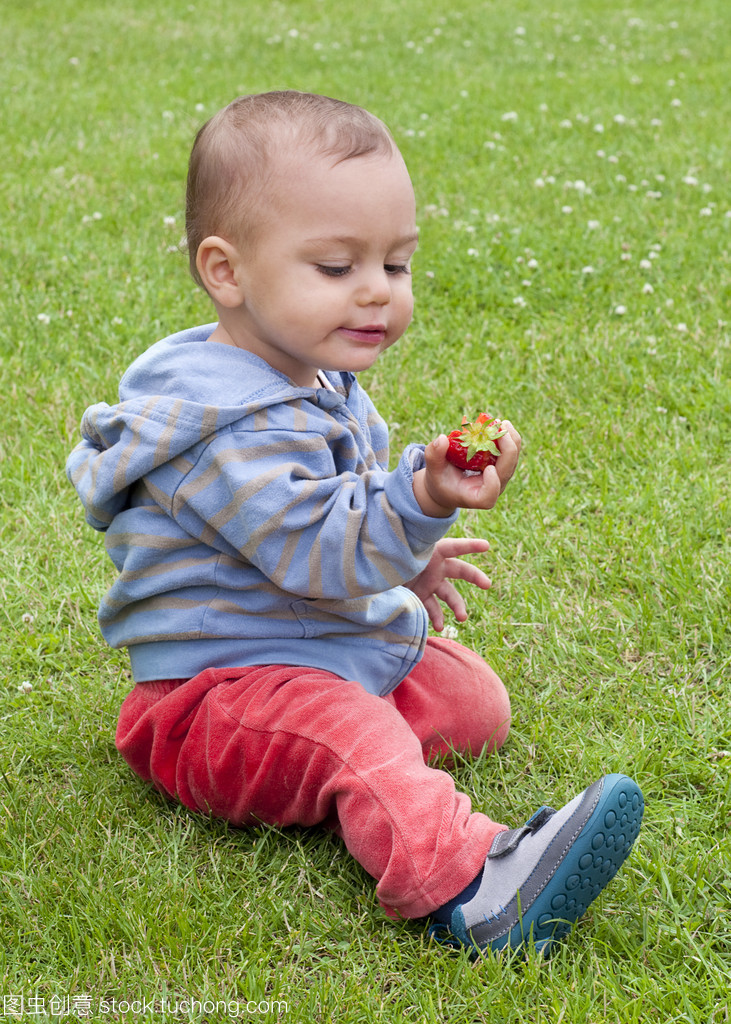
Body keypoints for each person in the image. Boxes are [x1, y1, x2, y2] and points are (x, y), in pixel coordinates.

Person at [66, 90, 643, 957]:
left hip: (304, 644)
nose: (376, 292)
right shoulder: (220, 430)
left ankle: (355, 768)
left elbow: (332, 518)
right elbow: (310, 543)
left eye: (396, 265)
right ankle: (471, 887)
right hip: (211, 699)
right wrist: (419, 499)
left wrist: (404, 565)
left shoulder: (311, 375)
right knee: (355, 729)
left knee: (469, 700)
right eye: (336, 269)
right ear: (225, 271)